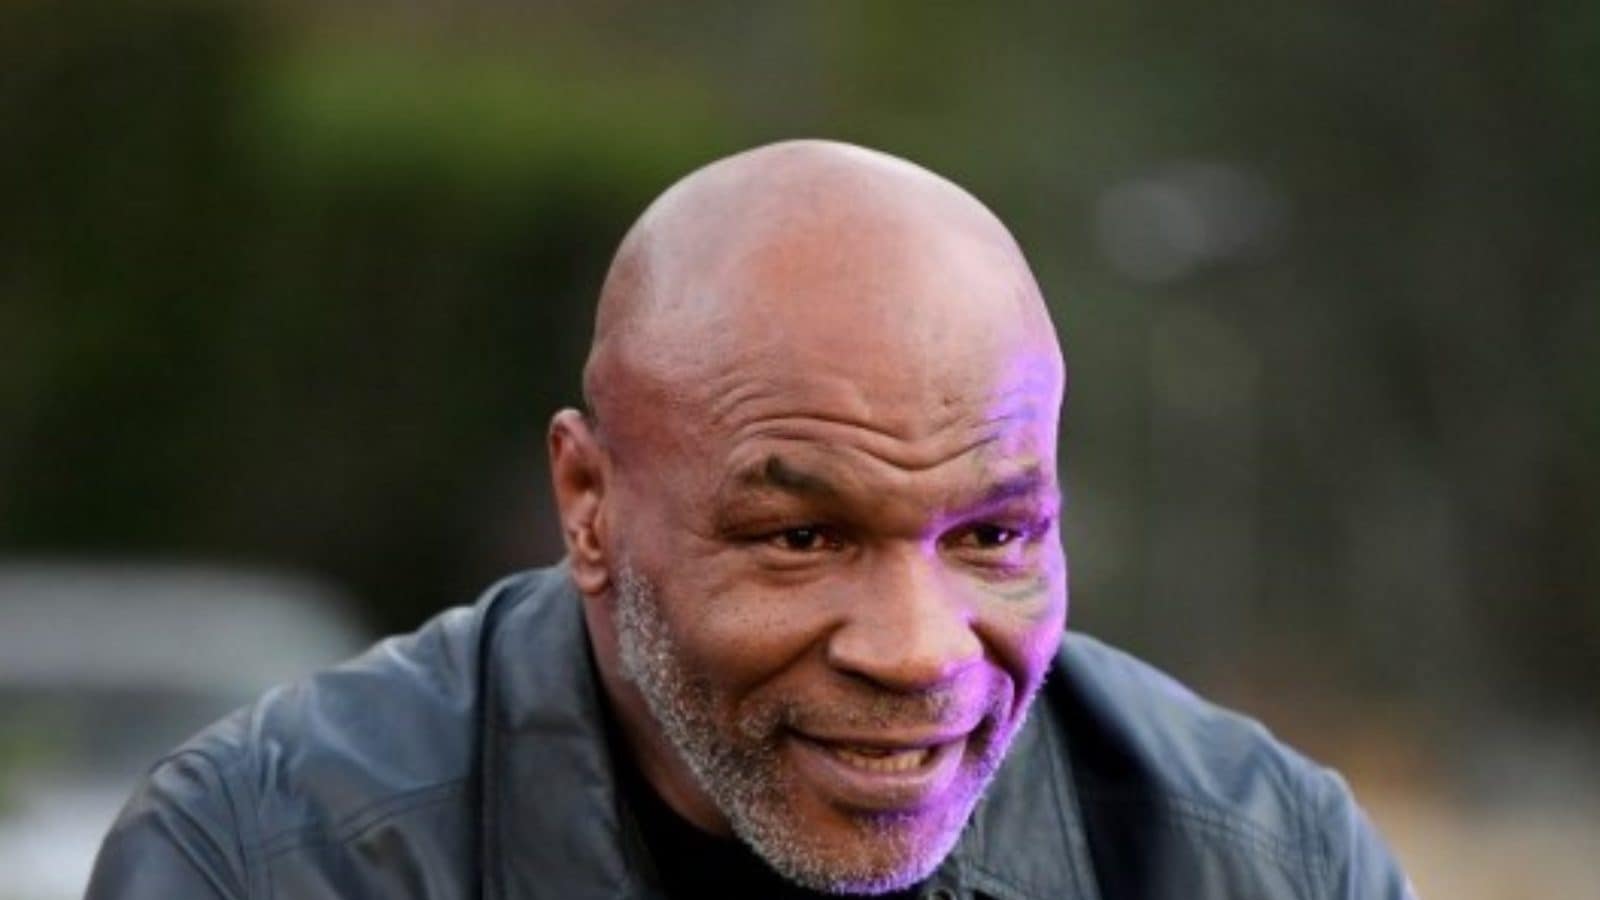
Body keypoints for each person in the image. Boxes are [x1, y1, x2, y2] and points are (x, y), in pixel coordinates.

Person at [88, 140, 1412, 899]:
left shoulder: (1259, 860)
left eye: (992, 538)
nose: (919, 651)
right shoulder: (269, 861)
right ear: (589, 505)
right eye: (803, 538)